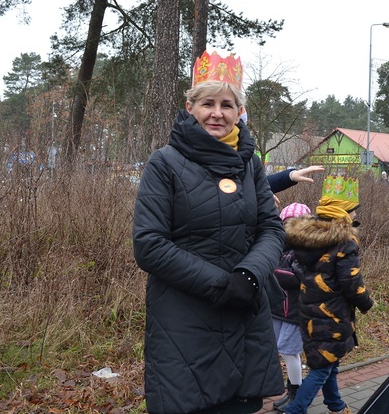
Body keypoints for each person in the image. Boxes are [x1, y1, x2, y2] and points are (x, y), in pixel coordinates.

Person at [132, 51, 285, 414]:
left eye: (227, 104)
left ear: (239, 112)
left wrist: (248, 276)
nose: (217, 113)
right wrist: (223, 285)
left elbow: (271, 228)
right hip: (184, 322)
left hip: (245, 313)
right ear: (190, 106)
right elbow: (149, 245)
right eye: (208, 103)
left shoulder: (250, 164)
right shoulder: (164, 163)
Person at [278, 176, 374, 414]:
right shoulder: (344, 242)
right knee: (322, 367)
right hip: (331, 313)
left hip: (309, 309)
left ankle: (336, 405)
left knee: (328, 361)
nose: (354, 216)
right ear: (342, 212)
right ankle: (295, 410)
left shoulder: (309, 236)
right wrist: (366, 302)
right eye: (352, 211)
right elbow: (352, 283)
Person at [271, 202, 311, 412]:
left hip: (296, 311)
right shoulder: (282, 246)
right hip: (278, 308)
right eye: (286, 224)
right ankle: (290, 391)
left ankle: (297, 394)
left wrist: (271, 272)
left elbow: (299, 278)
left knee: (289, 351)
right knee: (281, 349)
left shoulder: (306, 250)